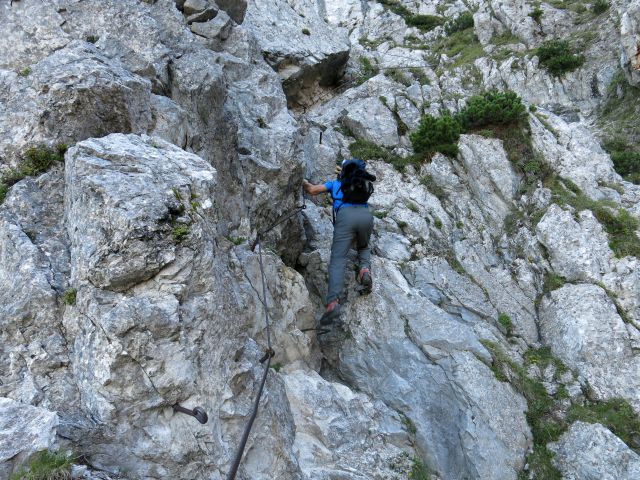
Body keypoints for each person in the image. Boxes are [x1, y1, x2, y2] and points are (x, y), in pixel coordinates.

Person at [302, 159, 375, 325]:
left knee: (338, 258)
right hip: (365, 216)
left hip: (345, 218)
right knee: (363, 246)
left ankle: (333, 302)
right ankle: (364, 270)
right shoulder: (362, 184)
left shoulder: (335, 184)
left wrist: (302, 181)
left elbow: (312, 190)